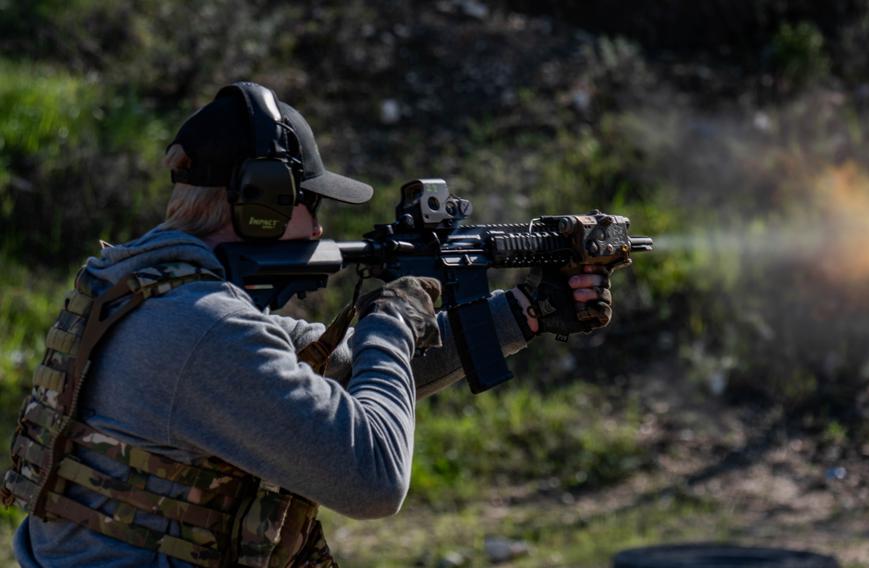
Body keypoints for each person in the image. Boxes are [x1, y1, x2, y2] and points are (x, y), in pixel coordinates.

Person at [3, 82, 612, 567]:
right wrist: (393, 325)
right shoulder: (207, 330)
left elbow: (348, 371)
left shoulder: (138, 287)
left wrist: (524, 313)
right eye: (309, 205)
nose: (319, 230)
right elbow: (373, 479)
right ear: (260, 205)